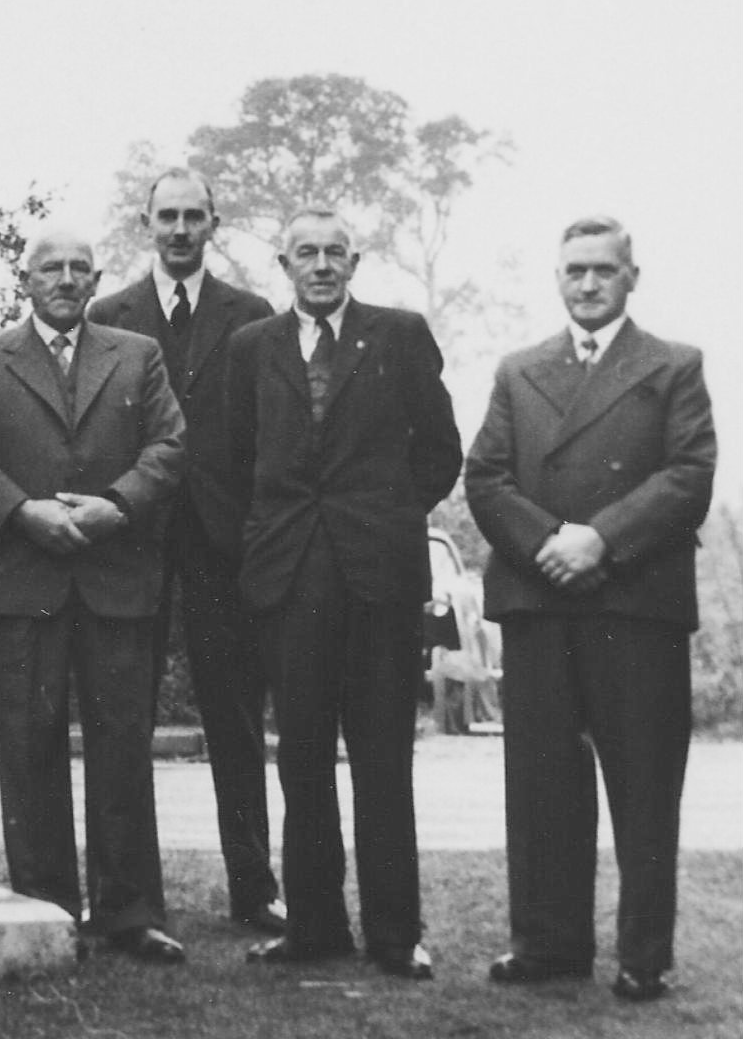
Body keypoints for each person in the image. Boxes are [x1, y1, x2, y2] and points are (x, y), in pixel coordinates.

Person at [465, 217, 714, 1003]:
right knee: (541, 784)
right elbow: (485, 478)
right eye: (574, 270)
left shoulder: (673, 366)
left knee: (642, 787)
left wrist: (599, 541)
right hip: (538, 601)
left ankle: (644, 956)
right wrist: (549, 542)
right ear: (556, 277)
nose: (587, 283)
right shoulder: (517, 370)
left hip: (632, 604)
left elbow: (687, 476)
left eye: (604, 270)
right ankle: (547, 944)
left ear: (631, 276)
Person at [0, 225, 188, 961]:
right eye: (53, 268)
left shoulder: (136, 356)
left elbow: (169, 446)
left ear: (96, 278)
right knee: (28, 747)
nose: (68, 279)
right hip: (20, 582)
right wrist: (22, 513)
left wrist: (116, 504)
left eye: (81, 268)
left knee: (121, 748)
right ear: (27, 279)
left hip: (116, 578)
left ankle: (128, 912)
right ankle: (45, 909)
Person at [225, 207, 460, 979]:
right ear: (283, 264)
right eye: (305, 253)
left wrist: (385, 516)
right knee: (300, 760)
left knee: (383, 759)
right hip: (289, 581)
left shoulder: (397, 334)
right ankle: (314, 928)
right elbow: (230, 461)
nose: (320, 265)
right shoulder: (250, 348)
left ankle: (396, 934)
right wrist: (271, 541)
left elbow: (439, 453)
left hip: (379, 582)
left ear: (353, 262)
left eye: (333, 253)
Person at [88, 168, 283, 935]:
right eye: (165, 216)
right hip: (132, 539)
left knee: (233, 719)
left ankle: (254, 887)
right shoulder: (111, 314)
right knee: (121, 718)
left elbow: (268, 433)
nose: (177, 229)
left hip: (220, 544)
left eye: (191, 216)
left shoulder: (251, 315)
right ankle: (128, 897)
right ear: (145, 222)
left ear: (212, 222)